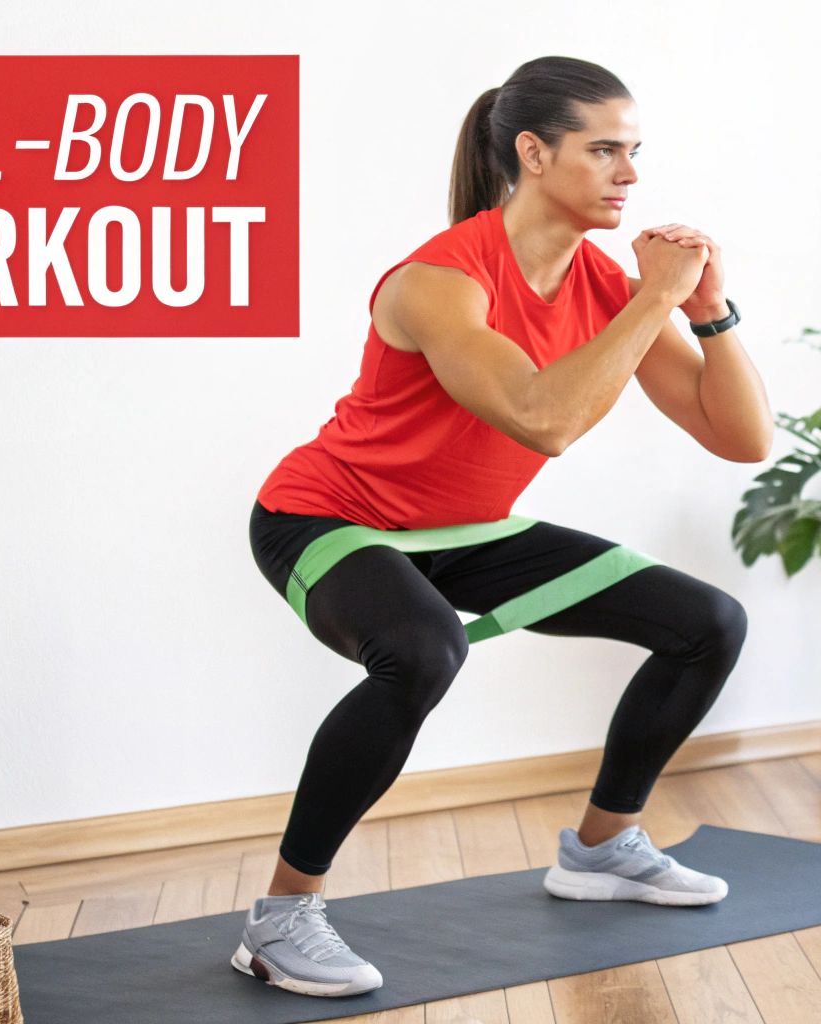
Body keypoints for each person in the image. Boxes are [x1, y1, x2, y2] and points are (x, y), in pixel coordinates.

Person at [235, 55, 773, 998]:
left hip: (470, 530)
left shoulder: (605, 284)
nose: (631, 175)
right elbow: (542, 417)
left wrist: (709, 309)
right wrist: (652, 297)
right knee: (423, 650)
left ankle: (603, 850)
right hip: (327, 517)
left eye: (634, 151)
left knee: (708, 624)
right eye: (604, 150)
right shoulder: (439, 280)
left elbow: (741, 437)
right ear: (532, 150)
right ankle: (281, 919)